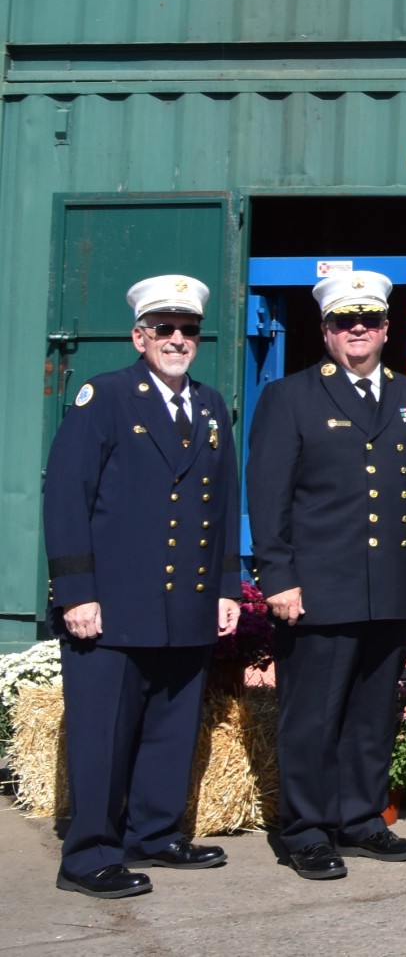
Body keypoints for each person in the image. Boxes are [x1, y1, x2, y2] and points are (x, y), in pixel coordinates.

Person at [42, 274, 240, 899]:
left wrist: (227, 587)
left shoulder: (208, 404)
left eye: (188, 330)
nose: (178, 340)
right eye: (165, 329)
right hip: (112, 601)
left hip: (186, 601)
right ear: (139, 335)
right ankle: (89, 856)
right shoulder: (104, 397)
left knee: (171, 724)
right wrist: (76, 591)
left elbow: (224, 505)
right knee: (102, 733)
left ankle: (153, 834)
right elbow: (66, 497)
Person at [248, 271, 406, 880]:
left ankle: (362, 818)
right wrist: (278, 576)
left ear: (387, 328)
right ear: (326, 330)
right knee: (312, 715)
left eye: (368, 319)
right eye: (344, 321)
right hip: (317, 589)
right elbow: (269, 497)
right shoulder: (291, 397)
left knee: (370, 712)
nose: (357, 329)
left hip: (390, 586)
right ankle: (307, 828)